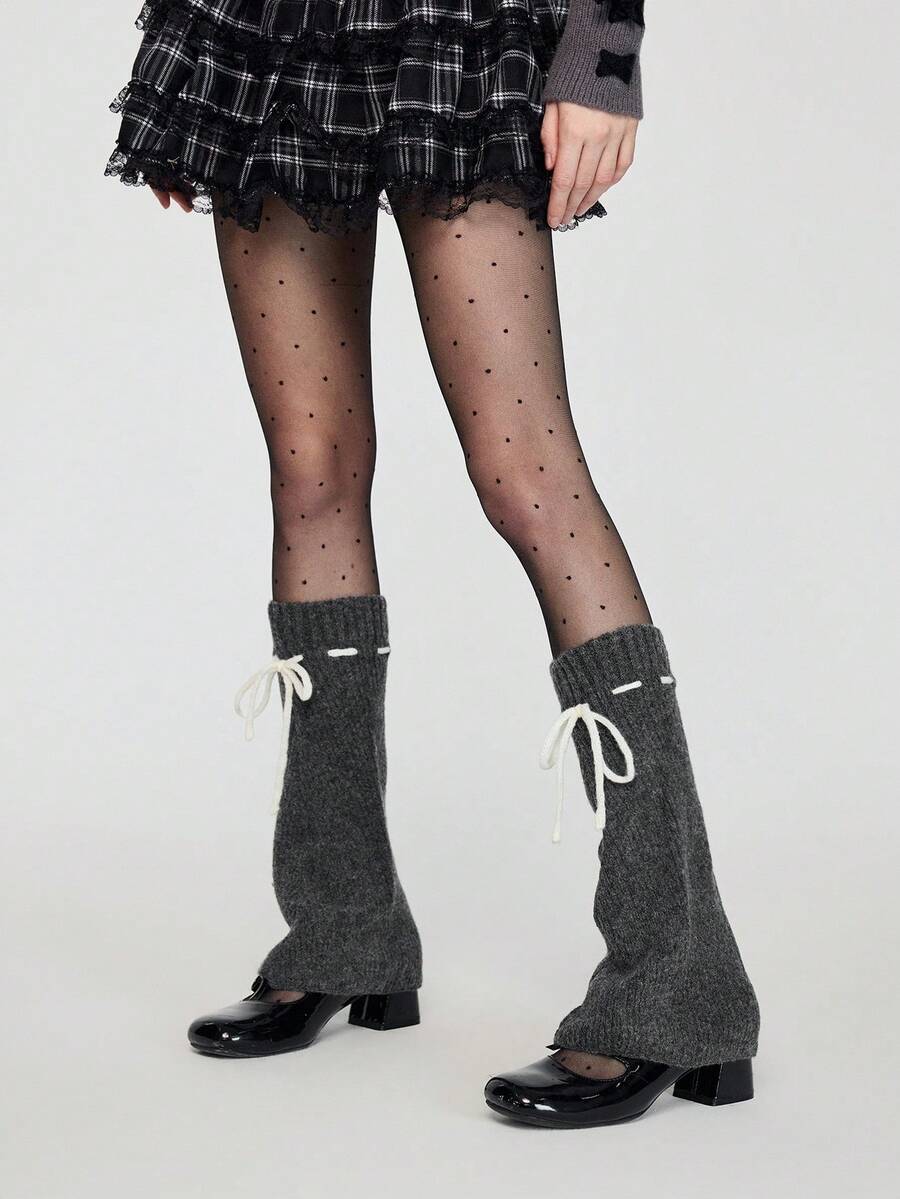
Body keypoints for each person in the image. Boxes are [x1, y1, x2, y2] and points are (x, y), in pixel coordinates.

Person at [107, 0, 760, 1127]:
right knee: (309, 470)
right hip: (275, 32)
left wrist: (603, 58)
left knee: (527, 474)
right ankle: (344, 929)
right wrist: (190, 64)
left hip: (459, 26)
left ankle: (682, 976)